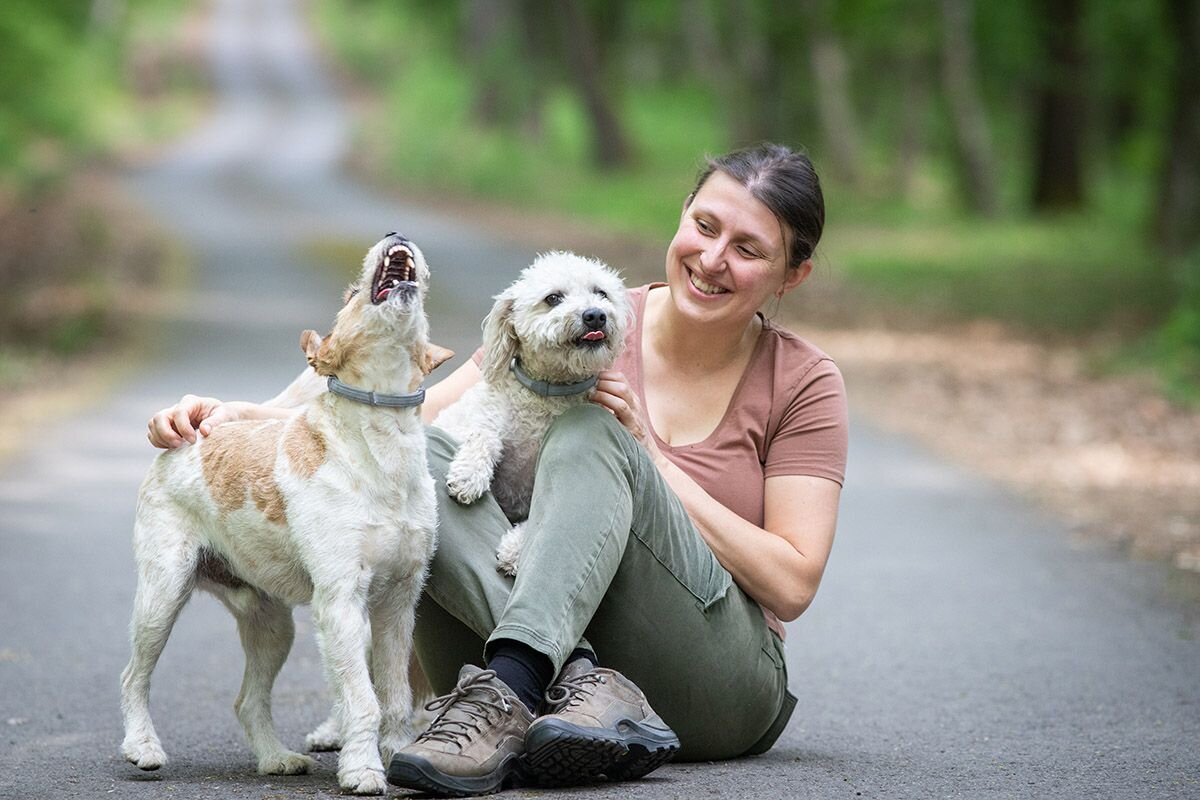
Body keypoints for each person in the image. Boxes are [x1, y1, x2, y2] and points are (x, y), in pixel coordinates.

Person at [147, 143, 847, 795]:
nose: (713, 257)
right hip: (532, 687)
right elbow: (400, 419)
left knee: (587, 432)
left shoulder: (803, 382)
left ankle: (523, 676)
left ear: (794, 274)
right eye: (704, 225)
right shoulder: (566, 313)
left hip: (708, 681)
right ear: (682, 216)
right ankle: (554, 681)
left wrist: (651, 461)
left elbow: (790, 582)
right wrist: (236, 420)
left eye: (749, 249)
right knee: (422, 456)